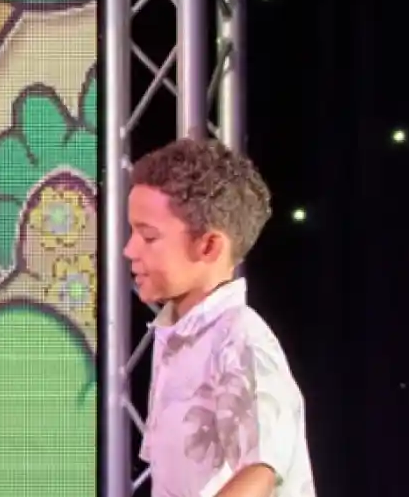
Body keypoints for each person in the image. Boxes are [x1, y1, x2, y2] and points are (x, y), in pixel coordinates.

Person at [126, 137, 317, 497]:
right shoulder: (178, 338)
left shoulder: (241, 338)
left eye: (148, 237)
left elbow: (259, 471)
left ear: (209, 245)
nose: (129, 249)